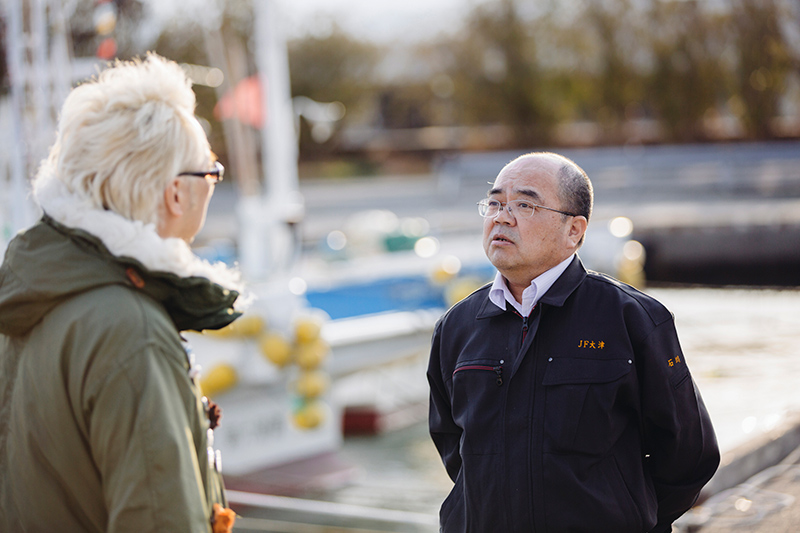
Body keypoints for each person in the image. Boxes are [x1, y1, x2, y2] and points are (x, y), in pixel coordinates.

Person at [0, 53, 243, 532]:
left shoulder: (27, 300)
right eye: (211, 173)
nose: (213, 184)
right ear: (176, 193)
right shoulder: (131, 331)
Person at [427, 152, 719, 532]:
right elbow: (453, 447)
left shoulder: (632, 318)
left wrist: (630, 516)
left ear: (574, 231)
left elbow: (689, 454)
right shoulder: (456, 326)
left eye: (525, 205)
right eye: (495, 203)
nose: (501, 217)